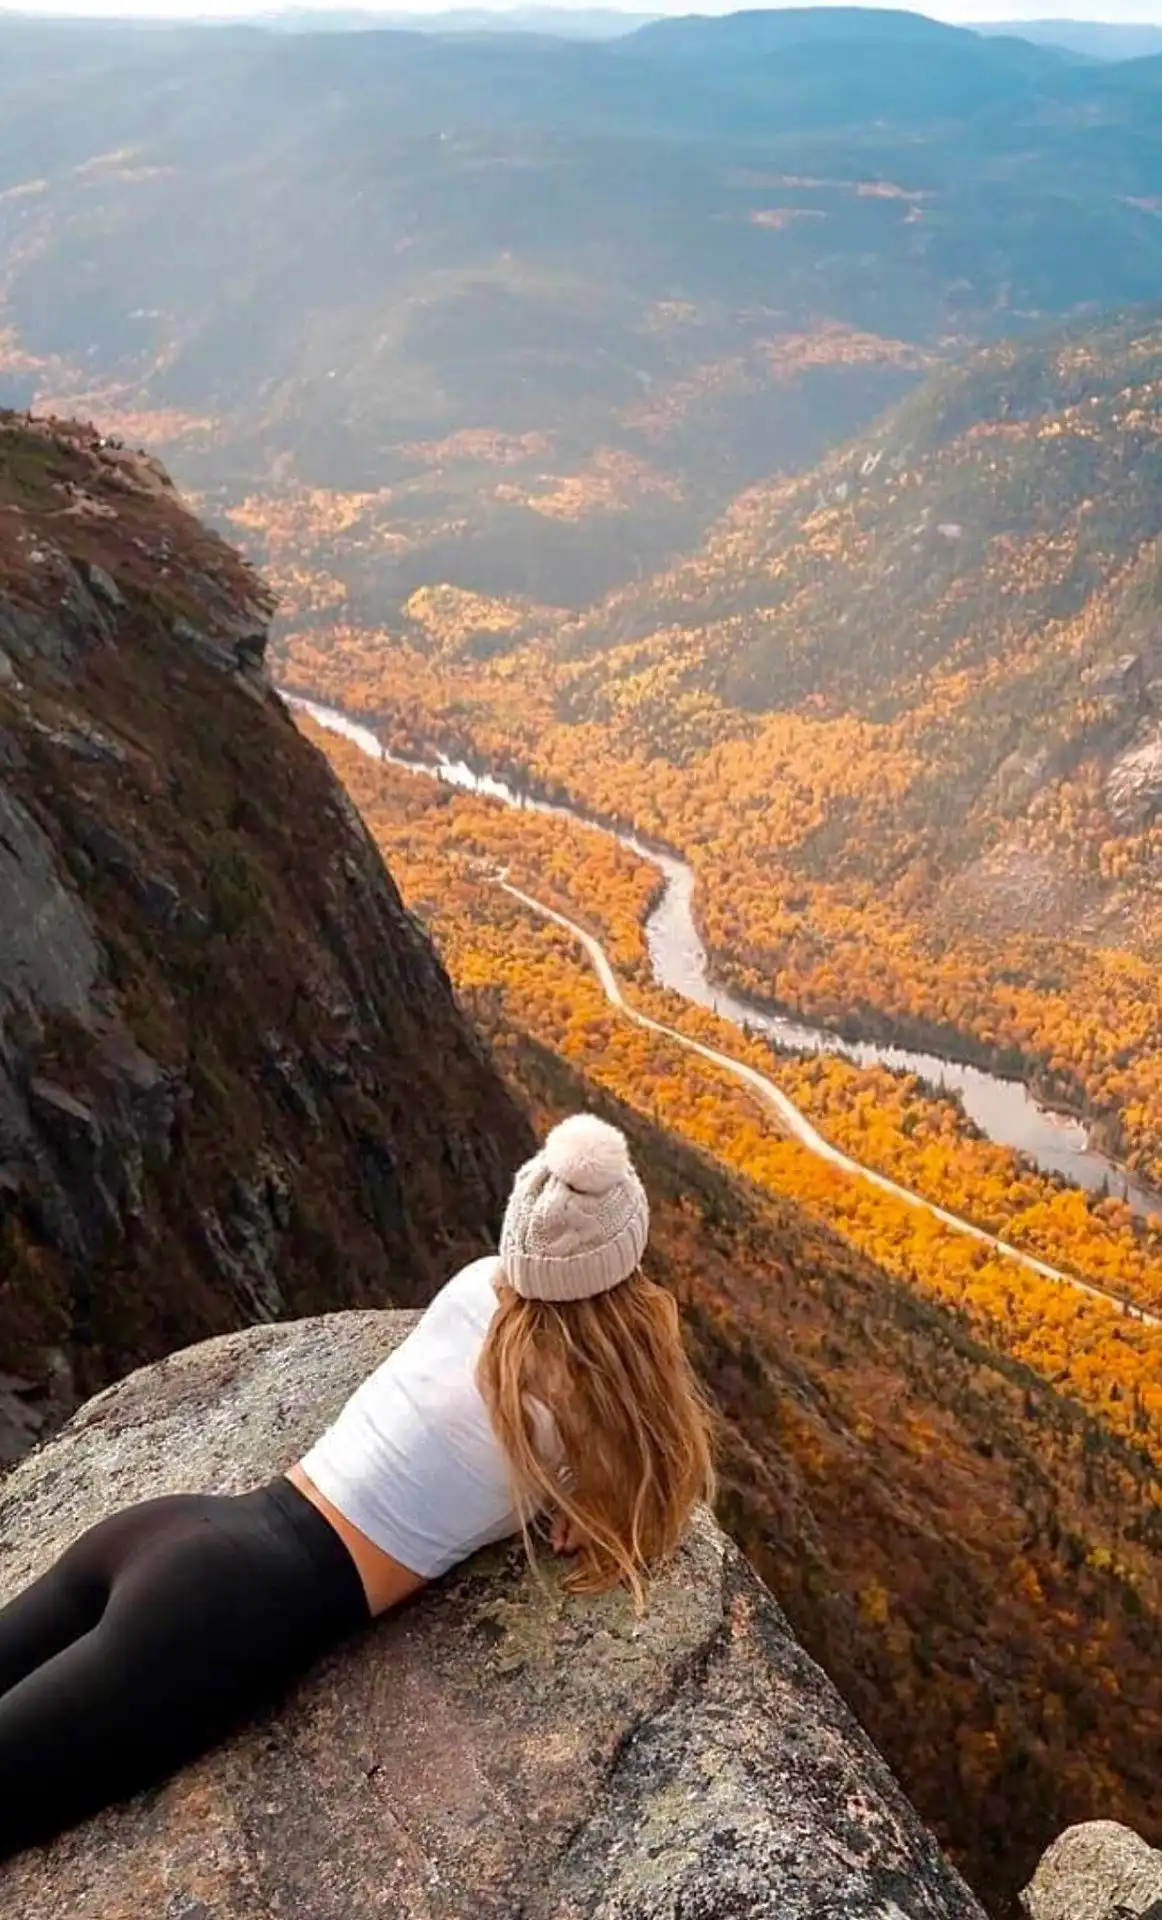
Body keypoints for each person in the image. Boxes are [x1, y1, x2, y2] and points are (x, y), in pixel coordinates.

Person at [0, 1112, 715, 1860]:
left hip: (168, 1531)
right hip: (218, 1618)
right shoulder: (581, 1404)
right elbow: (648, 1487)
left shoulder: (475, 1285)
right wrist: (588, 1499)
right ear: (626, 1257)